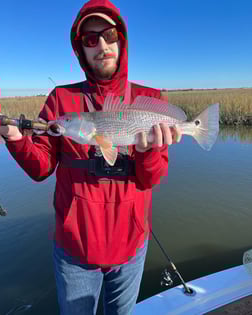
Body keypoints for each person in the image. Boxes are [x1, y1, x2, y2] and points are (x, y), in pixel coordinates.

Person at [0, 0, 182, 314]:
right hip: (74, 249)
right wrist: (16, 139)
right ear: (80, 50)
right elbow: (41, 167)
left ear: (121, 39)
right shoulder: (61, 99)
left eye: (109, 34)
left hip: (131, 245)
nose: (101, 45)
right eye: (90, 39)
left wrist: (149, 150)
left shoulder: (149, 99)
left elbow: (150, 178)